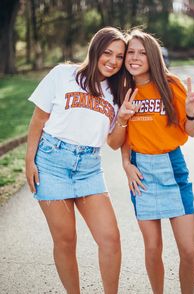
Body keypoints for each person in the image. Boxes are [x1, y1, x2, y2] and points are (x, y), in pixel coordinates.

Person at [25, 27, 139, 294]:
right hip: (51, 164)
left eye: (119, 57)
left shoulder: (117, 90)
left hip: (89, 168)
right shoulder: (63, 75)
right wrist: (29, 161)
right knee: (65, 240)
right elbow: (38, 120)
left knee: (110, 239)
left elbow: (112, 142)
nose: (113, 61)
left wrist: (122, 119)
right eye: (107, 53)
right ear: (95, 50)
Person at [121, 29, 194, 294]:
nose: (135, 58)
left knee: (188, 250)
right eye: (130, 52)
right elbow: (122, 135)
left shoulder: (171, 86)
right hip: (141, 172)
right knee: (152, 248)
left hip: (172, 167)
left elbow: (191, 132)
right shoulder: (124, 89)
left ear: (153, 57)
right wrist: (126, 164)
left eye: (142, 53)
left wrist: (191, 113)